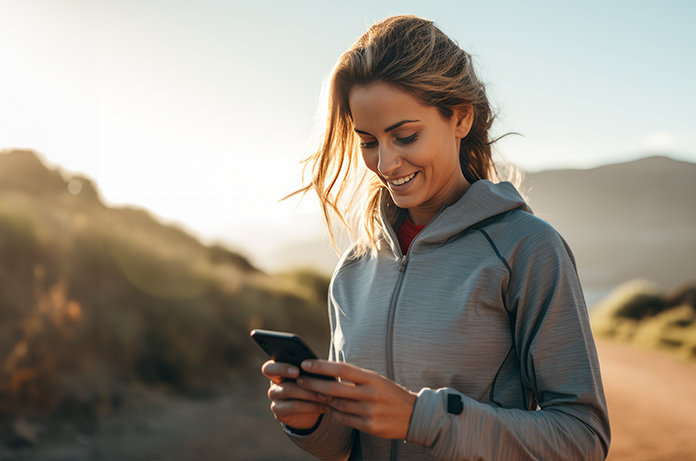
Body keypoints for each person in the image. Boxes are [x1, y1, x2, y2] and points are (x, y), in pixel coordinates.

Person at [261, 14, 611, 461]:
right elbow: (345, 447)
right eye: (368, 142)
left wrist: (421, 418)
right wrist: (309, 420)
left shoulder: (526, 248)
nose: (385, 164)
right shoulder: (355, 267)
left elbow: (582, 438)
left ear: (460, 118)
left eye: (405, 136)